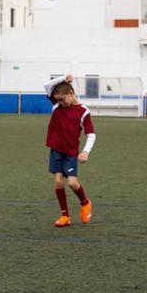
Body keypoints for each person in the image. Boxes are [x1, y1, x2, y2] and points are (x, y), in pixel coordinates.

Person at [43, 74, 96, 227]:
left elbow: (90, 134)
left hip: (71, 153)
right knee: (59, 182)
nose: (61, 103)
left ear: (71, 94)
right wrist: (62, 79)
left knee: (72, 183)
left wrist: (85, 151)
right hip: (56, 150)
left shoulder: (83, 111)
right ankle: (65, 216)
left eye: (63, 99)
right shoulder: (56, 106)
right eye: (58, 100)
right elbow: (47, 86)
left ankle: (85, 203)